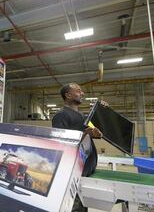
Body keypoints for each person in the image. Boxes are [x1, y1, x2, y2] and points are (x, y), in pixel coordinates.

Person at [52, 83, 104, 212]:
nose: (82, 93)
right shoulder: (61, 115)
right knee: (74, 208)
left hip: (85, 171)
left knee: (82, 207)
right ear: (68, 95)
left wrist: (102, 111)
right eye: (78, 91)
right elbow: (62, 143)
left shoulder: (82, 117)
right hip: (73, 175)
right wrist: (87, 133)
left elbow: (95, 132)